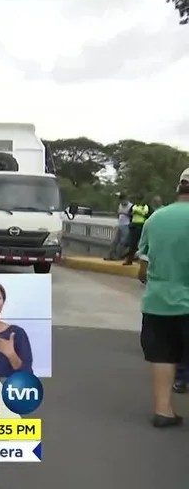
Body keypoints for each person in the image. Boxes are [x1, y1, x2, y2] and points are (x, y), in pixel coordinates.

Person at [136, 168, 189, 428]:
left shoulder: (155, 218)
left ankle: (163, 411)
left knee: (163, 357)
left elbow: (143, 266)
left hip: (157, 302)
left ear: (179, 187)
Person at [105, 193, 132, 261]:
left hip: (126, 225)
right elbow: (118, 214)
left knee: (123, 242)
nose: (122, 203)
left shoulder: (131, 206)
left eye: (123, 201)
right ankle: (111, 255)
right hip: (120, 224)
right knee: (114, 241)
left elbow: (131, 215)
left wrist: (123, 213)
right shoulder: (120, 205)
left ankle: (119, 256)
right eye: (121, 201)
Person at [123, 198, 150, 265]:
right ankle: (129, 260)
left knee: (142, 244)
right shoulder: (134, 206)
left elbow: (148, 215)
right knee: (132, 243)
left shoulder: (146, 207)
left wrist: (139, 213)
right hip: (134, 226)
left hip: (142, 226)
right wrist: (133, 213)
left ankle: (142, 260)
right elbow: (129, 214)